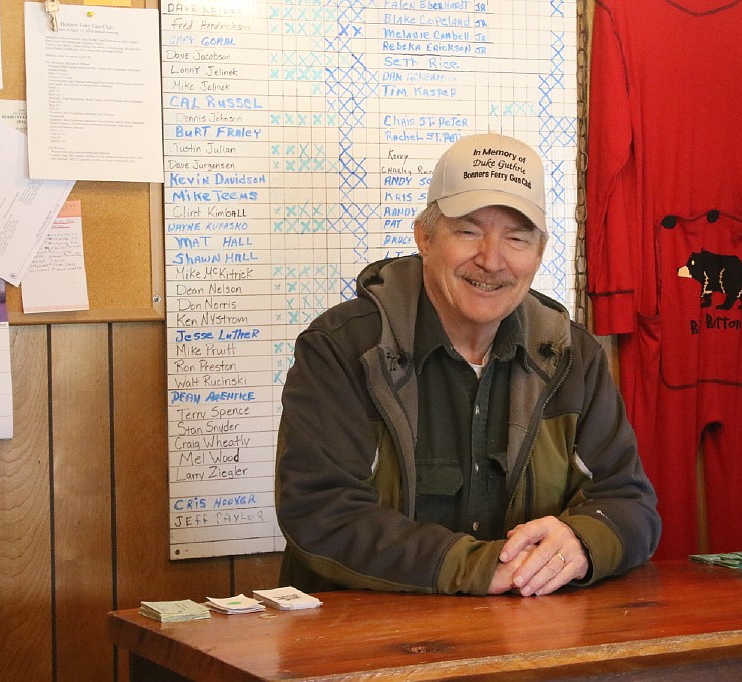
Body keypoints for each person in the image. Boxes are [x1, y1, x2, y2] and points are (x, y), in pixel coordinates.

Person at [275, 132, 660, 596]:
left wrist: (581, 541)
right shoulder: (343, 349)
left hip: (529, 641)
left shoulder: (572, 356)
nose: (492, 260)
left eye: (516, 238)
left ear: (538, 253)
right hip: (362, 644)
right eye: (468, 231)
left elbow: (630, 503)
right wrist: (478, 568)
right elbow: (320, 512)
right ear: (425, 236)